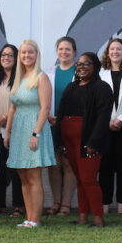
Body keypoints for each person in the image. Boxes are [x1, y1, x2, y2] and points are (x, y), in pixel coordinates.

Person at [58, 52, 113, 227]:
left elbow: (103, 117)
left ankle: (98, 217)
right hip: (69, 140)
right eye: (79, 64)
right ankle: (82, 216)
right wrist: (60, 141)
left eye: (86, 64)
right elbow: (61, 114)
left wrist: (93, 142)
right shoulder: (71, 87)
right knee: (80, 178)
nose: (81, 67)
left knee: (89, 178)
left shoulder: (102, 88)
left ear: (95, 66)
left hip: (88, 141)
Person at [6, 39, 56, 228]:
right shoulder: (18, 78)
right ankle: (28, 217)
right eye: (23, 53)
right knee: (23, 177)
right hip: (18, 130)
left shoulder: (41, 77)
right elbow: (12, 107)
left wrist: (35, 133)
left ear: (37, 55)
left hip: (34, 129)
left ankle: (36, 219)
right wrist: (8, 132)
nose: (27, 56)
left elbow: (45, 108)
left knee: (34, 177)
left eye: (30, 52)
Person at [0, 44, 25, 216]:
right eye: (3, 54)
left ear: (16, 58)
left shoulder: (22, 79)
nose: (6, 57)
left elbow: (23, 105)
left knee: (17, 170)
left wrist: (6, 120)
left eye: (10, 55)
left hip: (16, 129)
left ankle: (19, 206)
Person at [98, 38, 122, 215]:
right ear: (108, 52)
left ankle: (121, 205)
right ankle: (105, 203)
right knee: (105, 167)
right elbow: (98, 101)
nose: (115, 52)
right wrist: (108, 121)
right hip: (105, 127)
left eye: (119, 49)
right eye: (112, 49)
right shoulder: (101, 73)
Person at [45, 37, 77, 216]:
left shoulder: (79, 73)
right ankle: (56, 202)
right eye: (61, 49)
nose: (64, 52)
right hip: (51, 124)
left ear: (74, 52)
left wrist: (64, 118)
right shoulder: (50, 73)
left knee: (68, 163)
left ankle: (66, 204)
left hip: (70, 123)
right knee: (54, 164)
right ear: (57, 51)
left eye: (68, 49)